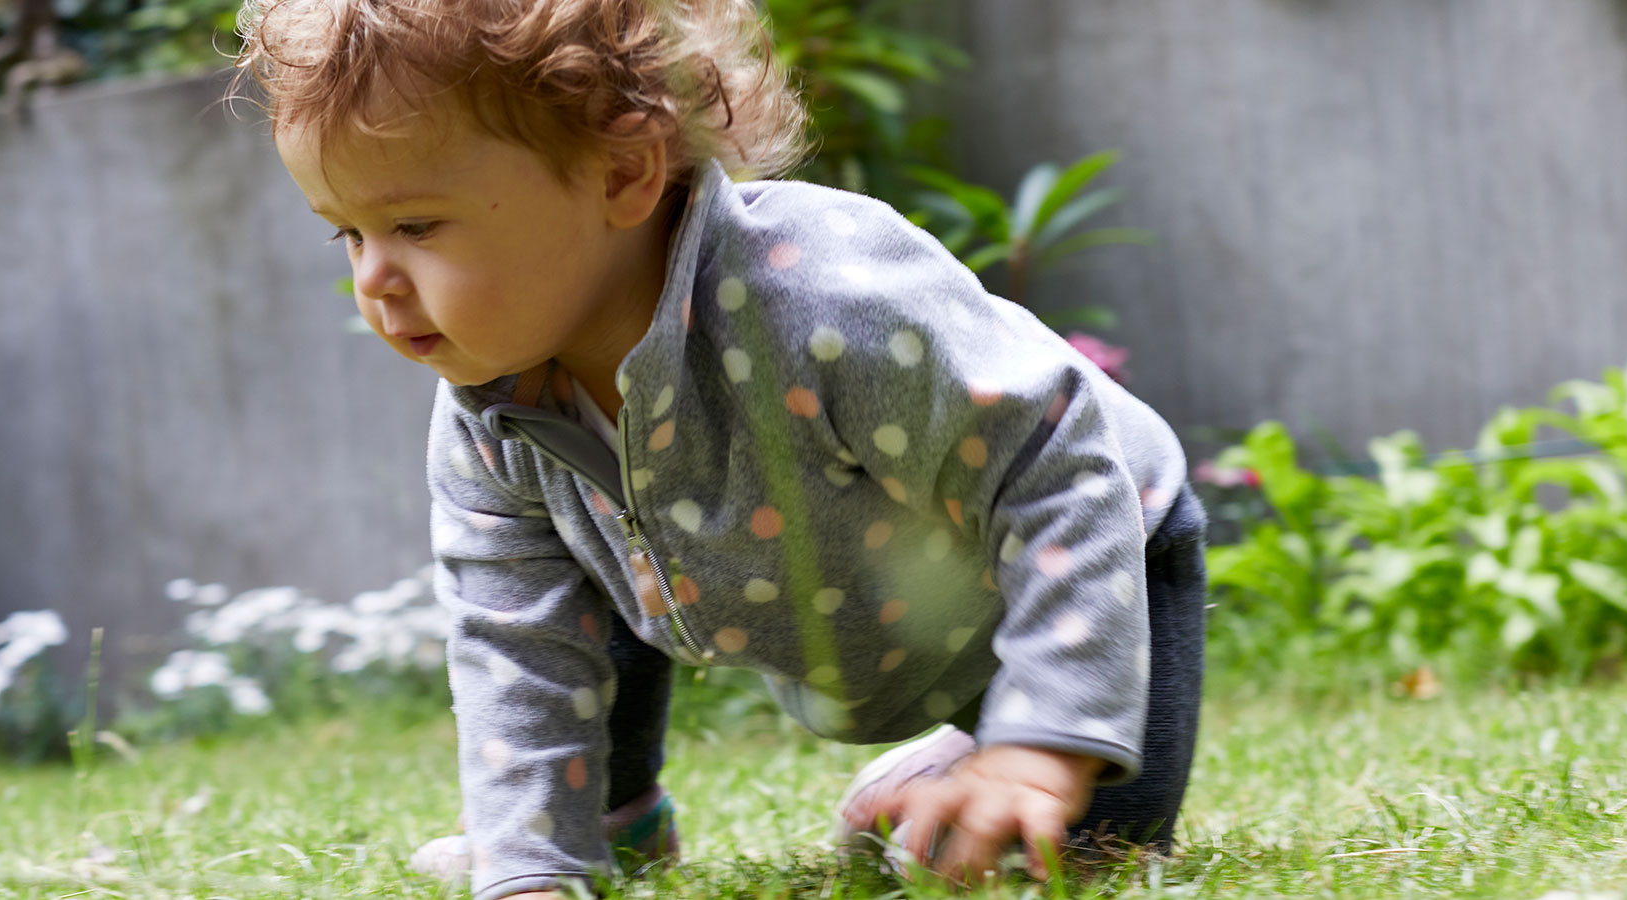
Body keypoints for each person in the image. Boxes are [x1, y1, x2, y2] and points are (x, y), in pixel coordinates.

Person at [232, 0, 1208, 897]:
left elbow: (1054, 467)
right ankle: (607, 821)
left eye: (412, 224)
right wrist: (528, 868)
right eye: (347, 235)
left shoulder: (828, 302)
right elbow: (513, 637)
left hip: (1096, 550)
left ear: (622, 173)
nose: (375, 280)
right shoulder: (496, 409)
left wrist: (1041, 748)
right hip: (840, 606)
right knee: (574, 573)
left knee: (1067, 855)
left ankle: (992, 750)